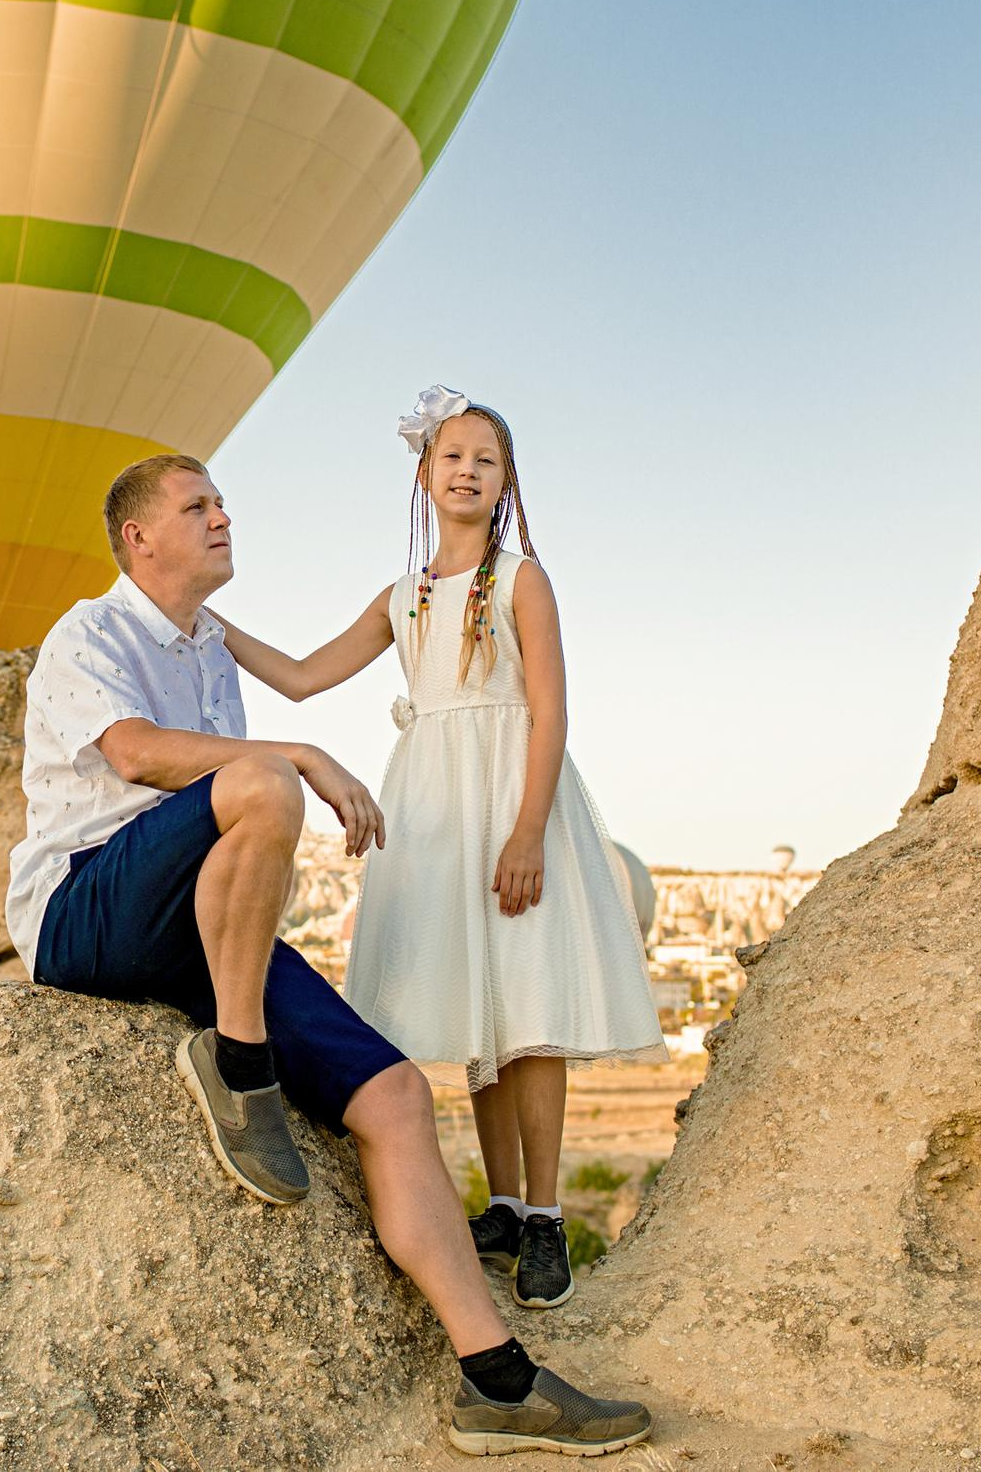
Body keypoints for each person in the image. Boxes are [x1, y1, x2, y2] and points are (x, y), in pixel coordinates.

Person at [6, 451, 652, 1456]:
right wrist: (298, 753)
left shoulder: (208, 654)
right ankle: (240, 1063)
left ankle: (493, 1378)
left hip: (192, 930)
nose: (223, 516)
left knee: (393, 1094)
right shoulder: (90, 631)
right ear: (138, 538)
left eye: (221, 500)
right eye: (197, 506)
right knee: (266, 783)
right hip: (85, 910)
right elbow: (133, 755)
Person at [215, 386, 666, 1317]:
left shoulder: (522, 581)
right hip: (434, 805)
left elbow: (550, 708)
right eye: (451, 455)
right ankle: (498, 1205)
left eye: (485, 460)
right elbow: (304, 677)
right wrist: (204, 624)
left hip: (509, 795)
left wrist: (530, 828)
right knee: (476, 1006)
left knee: (530, 1005)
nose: (466, 470)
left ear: (505, 484)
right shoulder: (404, 597)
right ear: (424, 473)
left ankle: (544, 1217)